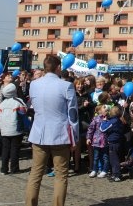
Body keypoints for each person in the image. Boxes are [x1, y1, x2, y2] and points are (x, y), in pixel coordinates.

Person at [24, 54, 78, 206]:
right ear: (58, 67)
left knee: (35, 174)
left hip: (39, 133)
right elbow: (73, 114)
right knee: (61, 176)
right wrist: (74, 138)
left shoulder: (34, 84)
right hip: (59, 134)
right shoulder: (66, 85)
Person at [0, 83, 27, 175]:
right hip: (15, 129)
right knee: (15, 149)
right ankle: (14, 168)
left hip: (4, 129)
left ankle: (4, 169)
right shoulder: (18, 100)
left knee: (5, 149)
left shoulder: (2, 103)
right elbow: (24, 110)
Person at [86, 105, 110, 178]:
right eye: (104, 110)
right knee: (96, 157)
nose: (105, 112)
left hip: (105, 142)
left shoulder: (109, 119)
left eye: (107, 111)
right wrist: (88, 138)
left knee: (105, 157)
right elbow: (91, 128)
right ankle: (94, 170)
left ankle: (104, 170)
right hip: (96, 141)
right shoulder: (96, 119)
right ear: (99, 111)